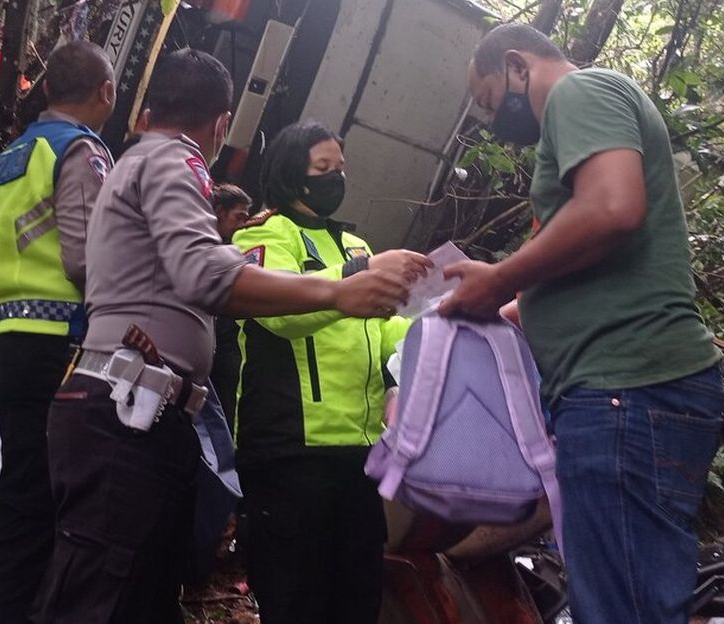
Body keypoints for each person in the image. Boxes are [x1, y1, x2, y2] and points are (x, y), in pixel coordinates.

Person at [33, 49, 413, 624]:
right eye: (322, 167)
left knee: (130, 593)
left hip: (140, 408)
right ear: (219, 123)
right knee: (100, 598)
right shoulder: (174, 161)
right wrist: (340, 290)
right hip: (136, 410)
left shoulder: (135, 164)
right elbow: (204, 275)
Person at [440, 23, 723, 624]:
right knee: (623, 600)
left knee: (623, 609)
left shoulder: (580, 92)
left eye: (490, 102)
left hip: (627, 387)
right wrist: (500, 305)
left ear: (517, 65)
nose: (492, 122)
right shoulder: (576, 133)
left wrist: (500, 279)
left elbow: (613, 208)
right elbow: (572, 257)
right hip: (623, 394)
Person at [231, 120, 430, 624]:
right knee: (297, 601)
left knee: (357, 599)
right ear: (293, 176)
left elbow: (384, 331)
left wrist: (436, 329)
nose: (336, 178)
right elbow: (280, 314)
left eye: (340, 168)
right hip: (290, 452)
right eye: (324, 168)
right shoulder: (261, 234)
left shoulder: (358, 247)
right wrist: (358, 278)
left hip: (359, 455)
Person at [0, 40, 117, 624]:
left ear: (49, 89)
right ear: (105, 93)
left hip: (9, 342)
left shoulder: (6, 159)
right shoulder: (80, 150)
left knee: (21, 501)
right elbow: (87, 259)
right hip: (60, 343)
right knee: (47, 508)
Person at [209, 182, 253, 432]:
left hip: (227, 345)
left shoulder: (238, 250)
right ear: (218, 212)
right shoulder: (193, 246)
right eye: (238, 217)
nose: (242, 225)